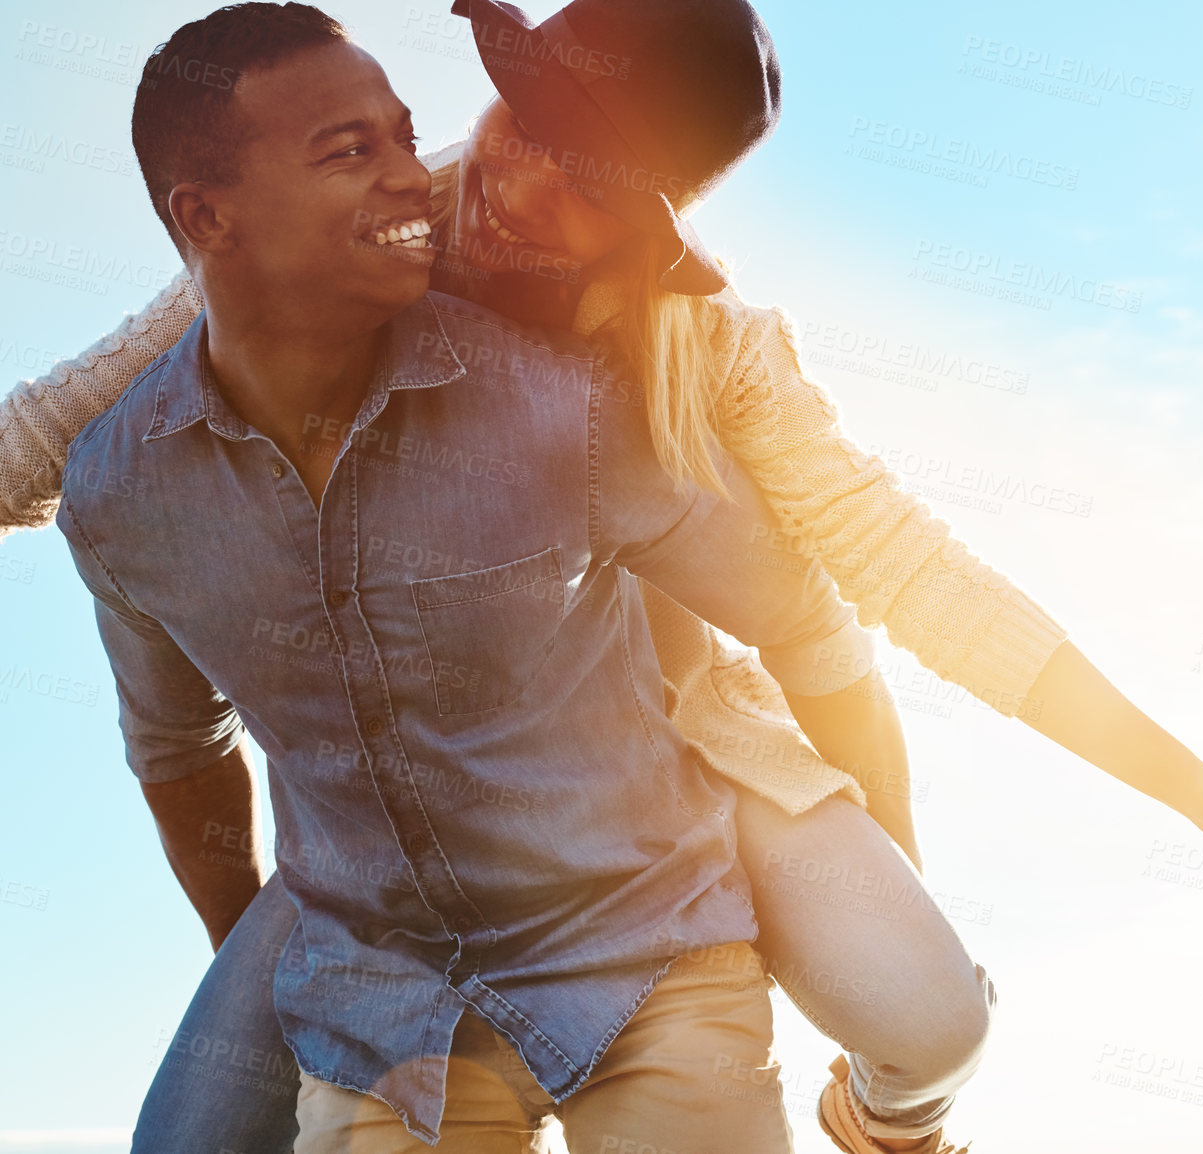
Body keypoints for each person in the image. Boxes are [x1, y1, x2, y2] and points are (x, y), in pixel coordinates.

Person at [0, 2, 1203, 1151]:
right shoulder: (369, 236)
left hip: (660, 761)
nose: (522, 188)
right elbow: (52, 437)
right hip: (384, 816)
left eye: (593, 185)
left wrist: (1200, 791)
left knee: (930, 1013)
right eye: (526, 128)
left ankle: (890, 1121)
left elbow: (906, 583)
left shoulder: (711, 354)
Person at [54, 5, 915, 1151]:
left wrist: (897, 874)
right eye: (353, 152)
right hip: (364, 908)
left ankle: (899, 1102)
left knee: (931, 1012)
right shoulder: (126, 491)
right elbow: (175, 739)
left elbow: (820, 610)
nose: (426, 180)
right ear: (209, 217)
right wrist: (292, 976)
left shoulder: (601, 388)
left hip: (625, 861)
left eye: (403, 139)